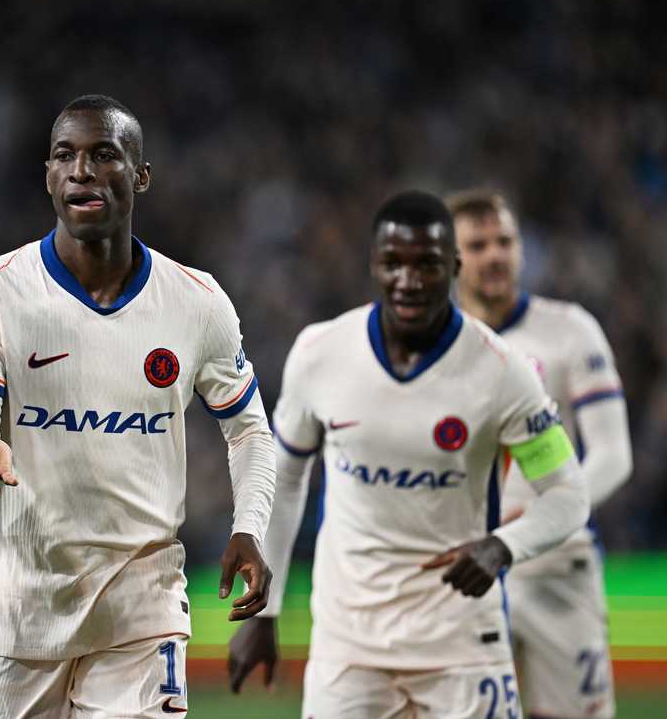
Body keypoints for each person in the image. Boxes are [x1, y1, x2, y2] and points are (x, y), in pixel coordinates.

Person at [0, 94, 277, 718]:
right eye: (65, 155)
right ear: (47, 176)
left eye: (104, 155)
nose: (81, 170)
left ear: (140, 176)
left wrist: (249, 525)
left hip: (142, 608)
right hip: (21, 612)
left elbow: (250, 430)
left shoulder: (197, 301)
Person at [227, 191, 591, 718]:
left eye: (428, 264)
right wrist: (265, 613)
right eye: (393, 263)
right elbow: (285, 479)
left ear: (455, 268)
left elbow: (568, 492)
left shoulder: (504, 371)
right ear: (373, 265)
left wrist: (502, 546)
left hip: (463, 645)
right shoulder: (320, 353)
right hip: (348, 646)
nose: (409, 279)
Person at [449, 189, 631, 719]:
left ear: (522, 249)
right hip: (466, 571)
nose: (494, 255)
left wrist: (540, 521)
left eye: (505, 241)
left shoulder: (571, 330)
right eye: (477, 244)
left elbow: (614, 456)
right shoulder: (435, 348)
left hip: (556, 564)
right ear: (452, 259)